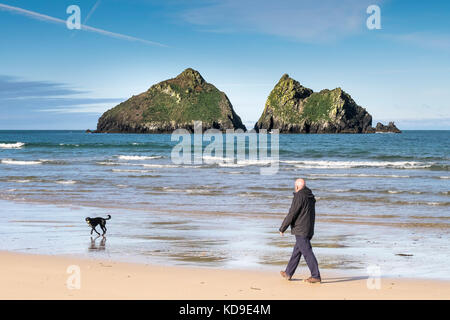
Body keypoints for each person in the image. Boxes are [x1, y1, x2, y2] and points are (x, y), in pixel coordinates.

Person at [279, 178, 321, 283]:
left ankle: (315, 275)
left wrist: (283, 227)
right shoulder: (310, 196)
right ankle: (288, 272)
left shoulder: (299, 196)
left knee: (307, 252)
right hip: (308, 228)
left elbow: (292, 213)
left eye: (295, 186)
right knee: (297, 252)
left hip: (301, 229)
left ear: (297, 187)